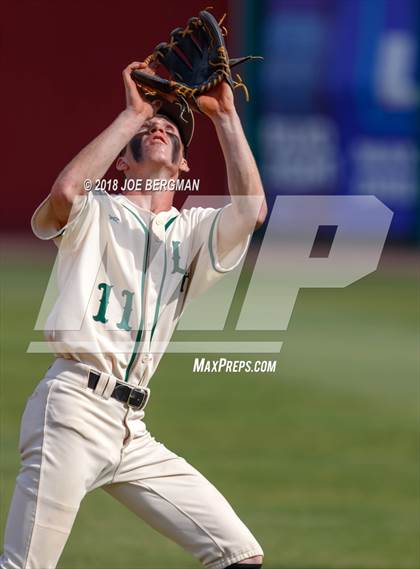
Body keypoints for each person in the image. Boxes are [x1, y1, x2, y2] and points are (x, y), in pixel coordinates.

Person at [1, 60, 267, 569]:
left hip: (132, 429)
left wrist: (226, 116)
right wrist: (131, 114)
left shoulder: (191, 233)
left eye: (172, 128)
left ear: (186, 166)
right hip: (73, 410)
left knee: (239, 555)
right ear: (123, 160)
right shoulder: (96, 211)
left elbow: (251, 210)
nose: (161, 126)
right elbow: (65, 194)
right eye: (150, 128)